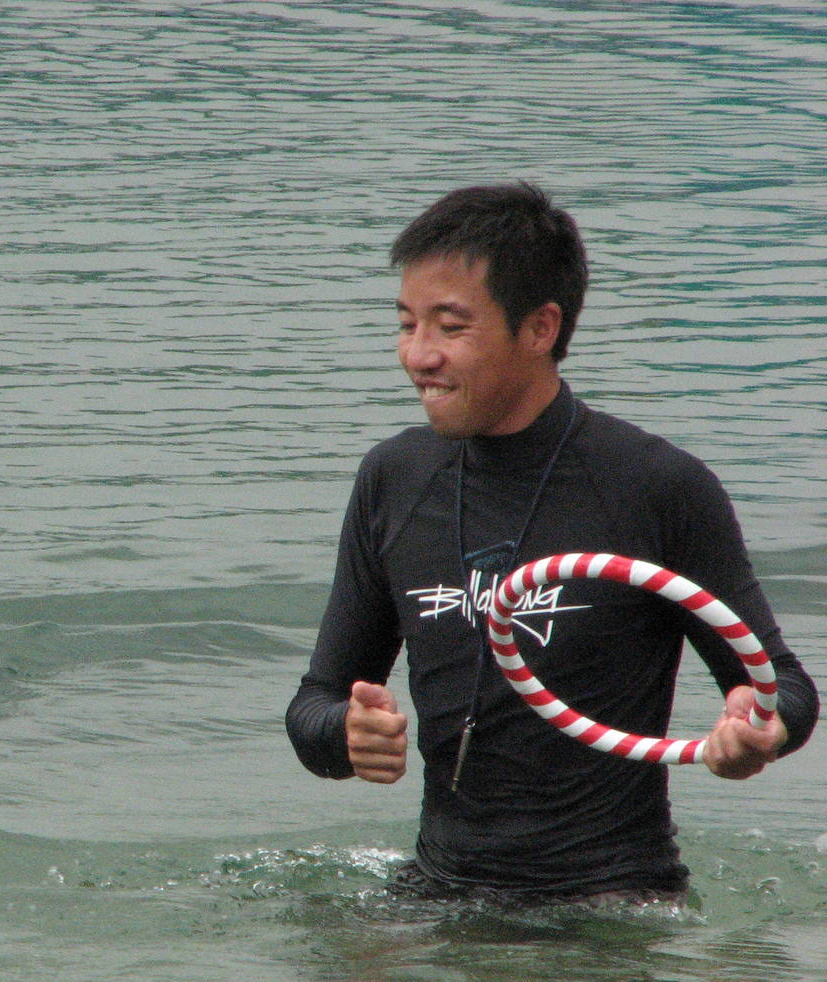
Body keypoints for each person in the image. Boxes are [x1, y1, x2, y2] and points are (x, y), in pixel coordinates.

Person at [285, 182, 818, 904]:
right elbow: (315, 701)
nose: (419, 355)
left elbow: (783, 688)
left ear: (540, 327)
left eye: (450, 326)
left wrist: (756, 730)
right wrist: (344, 735)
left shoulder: (655, 486)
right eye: (407, 323)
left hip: (609, 911)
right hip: (439, 897)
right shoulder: (394, 478)